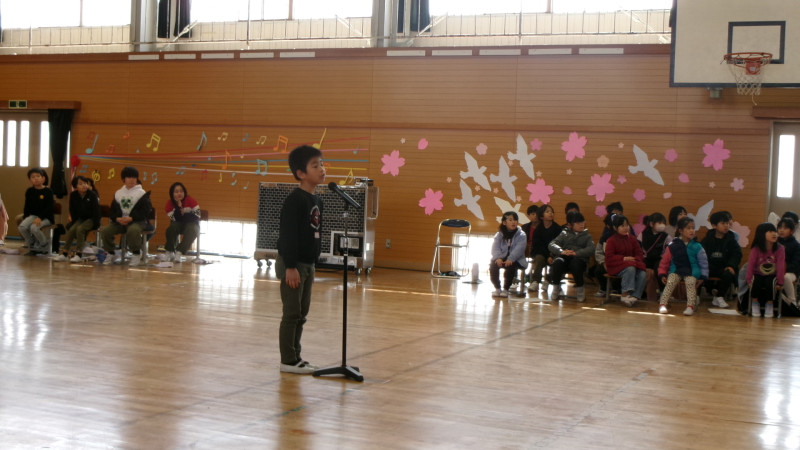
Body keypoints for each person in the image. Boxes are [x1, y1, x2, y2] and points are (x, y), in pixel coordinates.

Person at [276, 145, 325, 374]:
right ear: (301, 173)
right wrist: (290, 266)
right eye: (315, 166)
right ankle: (287, 360)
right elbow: (288, 236)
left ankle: (296, 357)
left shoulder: (317, 200)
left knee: (302, 315)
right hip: (293, 265)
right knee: (292, 314)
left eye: (322, 164)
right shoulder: (294, 200)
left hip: (308, 264)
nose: (322, 169)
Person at [100, 166, 153, 266]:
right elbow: (112, 211)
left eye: (134, 177)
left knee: (133, 230)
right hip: (120, 222)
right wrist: (117, 218)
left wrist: (131, 218)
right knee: (106, 231)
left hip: (137, 221)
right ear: (124, 179)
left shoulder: (142, 193)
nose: (132, 180)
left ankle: (136, 254)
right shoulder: (118, 193)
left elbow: (145, 211)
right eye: (129, 177)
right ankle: (111, 253)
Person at [658, 217, 709, 316]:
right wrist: (662, 274)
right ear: (681, 230)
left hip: (691, 271)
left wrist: (703, 276)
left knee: (690, 282)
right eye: (688, 228)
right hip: (676, 270)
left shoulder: (698, 246)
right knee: (671, 282)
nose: (692, 230)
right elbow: (665, 262)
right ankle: (663, 304)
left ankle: (690, 306)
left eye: (693, 228)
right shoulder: (672, 245)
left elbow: (703, 263)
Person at [547, 211, 594, 301]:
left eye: (583, 222)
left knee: (575, 264)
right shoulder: (564, 233)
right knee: (557, 262)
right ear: (570, 225)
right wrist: (561, 251)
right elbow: (552, 244)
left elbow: (591, 249)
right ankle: (556, 288)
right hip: (565, 258)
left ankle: (580, 290)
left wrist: (576, 253)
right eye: (578, 223)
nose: (582, 225)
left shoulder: (587, 236)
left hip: (579, 260)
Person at [53, 176, 100, 262]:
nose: (84, 185)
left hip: (92, 219)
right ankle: (64, 253)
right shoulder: (73, 195)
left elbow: (96, 211)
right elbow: (72, 210)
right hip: (80, 219)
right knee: (72, 230)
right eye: (80, 184)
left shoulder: (92, 195)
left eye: (85, 183)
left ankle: (79, 254)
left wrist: (96, 224)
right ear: (75, 186)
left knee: (80, 229)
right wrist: (74, 222)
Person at [700, 211, 742, 308]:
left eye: (727, 223)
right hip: (709, 267)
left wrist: (731, 265)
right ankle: (698, 295)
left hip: (724, 267)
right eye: (723, 223)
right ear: (714, 225)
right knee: (698, 271)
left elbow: (737, 254)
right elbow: (701, 255)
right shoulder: (706, 240)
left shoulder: (731, 240)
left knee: (729, 273)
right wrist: (704, 266)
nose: (726, 226)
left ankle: (720, 297)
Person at [604, 214, 647, 307]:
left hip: (632, 264)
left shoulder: (632, 239)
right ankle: (625, 294)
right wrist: (623, 258)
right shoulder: (611, 240)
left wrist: (634, 259)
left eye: (627, 225)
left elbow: (639, 253)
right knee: (630, 269)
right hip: (616, 266)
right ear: (615, 228)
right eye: (622, 226)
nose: (625, 228)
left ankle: (634, 297)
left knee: (643, 273)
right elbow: (609, 257)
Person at [744, 222, 785, 317]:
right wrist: (748, 280)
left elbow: (781, 266)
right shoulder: (756, 249)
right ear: (762, 234)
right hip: (758, 273)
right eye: (770, 231)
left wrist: (780, 282)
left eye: (775, 231)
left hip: (772, 275)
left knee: (770, 283)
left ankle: (769, 304)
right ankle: (755, 303)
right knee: (755, 282)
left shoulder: (780, 248)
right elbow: (750, 265)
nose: (774, 234)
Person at [490, 211, 528, 298]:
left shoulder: (522, 235)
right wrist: (498, 258)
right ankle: (497, 288)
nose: (513, 222)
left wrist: (511, 258)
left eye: (515, 220)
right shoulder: (499, 234)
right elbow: (495, 247)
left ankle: (506, 289)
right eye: (510, 220)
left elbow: (519, 249)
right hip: (502, 257)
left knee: (511, 265)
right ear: (504, 222)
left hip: (517, 259)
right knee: (493, 264)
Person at [19, 167, 55, 255]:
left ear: (43, 178)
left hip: (46, 217)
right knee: (22, 227)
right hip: (33, 216)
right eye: (33, 177)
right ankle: (33, 245)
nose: (36, 178)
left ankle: (44, 245)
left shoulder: (48, 191)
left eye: (38, 176)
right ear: (30, 180)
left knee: (34, 228)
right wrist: (26, 217)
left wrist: (40, 218)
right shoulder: (29, 191)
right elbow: (27, 206)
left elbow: (49, 207)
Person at [163, 182, 201, 262]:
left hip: (192, 224)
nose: (179, 193)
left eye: (181, 191)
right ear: (172, 194)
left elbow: (197, 215)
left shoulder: (191, 200)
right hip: (178, 223)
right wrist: (179, 207)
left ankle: (179, 252)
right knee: (172, 228)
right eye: (176, 192)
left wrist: (184, 215)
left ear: (184, 192)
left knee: (192, 229)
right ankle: (169, 250)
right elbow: (176, 219)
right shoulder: (169, 204)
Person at [527, 204, 561, 292]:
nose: (550, 213)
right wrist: (547, 256)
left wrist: (551, 255)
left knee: (558, 261)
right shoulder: (538, 230)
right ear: (541, 216)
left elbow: (559, 245)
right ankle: (535, 281)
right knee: (539, 258)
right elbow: (538, 246)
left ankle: (548, 280)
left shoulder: (557, 228)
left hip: (554, 253)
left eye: (552, 212)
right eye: (547, 211)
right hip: (542, 253)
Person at [639, 212, 668, 301]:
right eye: (659, 223)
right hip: (646, 259)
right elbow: (638, 248)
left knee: (659, 269)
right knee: (638, 267)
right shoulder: (642, 235)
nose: (662, 225)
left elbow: (668, 251)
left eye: (663, 223)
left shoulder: (666, 236)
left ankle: (663, 292)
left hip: (659, 259)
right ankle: (640, 293)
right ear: (652, 224)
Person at [777, 218, 800, 307]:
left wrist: (782, 268)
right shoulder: (774, 242)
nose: (781, 230)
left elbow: (796, 264)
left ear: (792, 231)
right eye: (780, 227)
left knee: (785, 277)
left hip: (791, 272)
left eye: (785, 228)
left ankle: (792, 301)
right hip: (775, 270)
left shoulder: (796, 245)